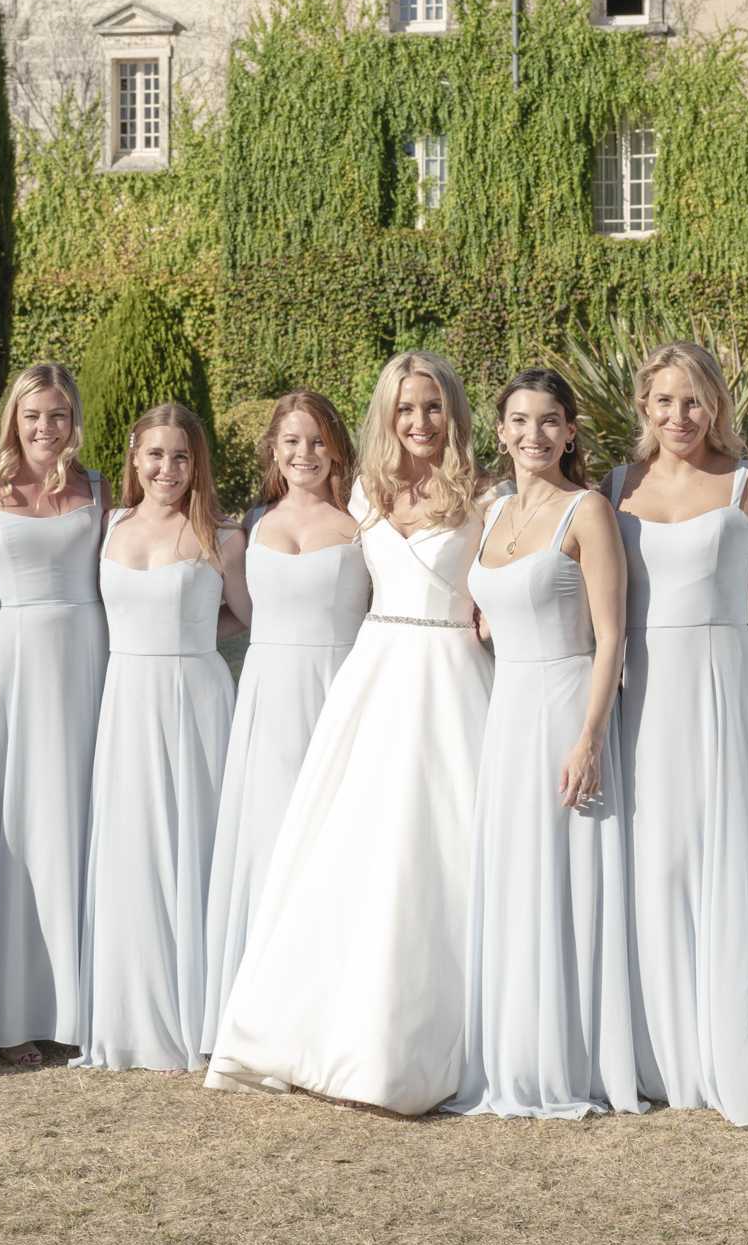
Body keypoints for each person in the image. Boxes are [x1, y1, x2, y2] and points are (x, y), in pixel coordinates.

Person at [207, 350, 493, 1115]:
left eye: (432, 407)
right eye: (405, 409)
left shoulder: (482, 497)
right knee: (357, 853)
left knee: (447, 851)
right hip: (375, 678)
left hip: (454, 677)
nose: (420, 422)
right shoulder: (365, 495)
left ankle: (446, 1038)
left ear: (453, 412)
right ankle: (339, 1029)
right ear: (386, 418)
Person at [451, 368, 642, 1118]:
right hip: (508, 709)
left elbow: (612, 635)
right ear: (500, 431)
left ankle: (570, 1053)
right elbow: (493, 604)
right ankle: (514, 1047)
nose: (534, 434)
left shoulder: (587, 510)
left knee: (568, 875)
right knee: (515, 872)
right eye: (520, 421)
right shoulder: (493, 512)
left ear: (570, 433)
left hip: (566, 703)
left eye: (550, 421)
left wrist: (589, 737)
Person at [605, 343, 748, 1127]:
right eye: (665, 402)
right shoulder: (616, 487)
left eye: (694, 401)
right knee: (656, 858)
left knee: (727, 848)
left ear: (716, 406)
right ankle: (659, 1052)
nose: (680, 417)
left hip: (720, 676)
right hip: (643, 686)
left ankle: (735, 1044)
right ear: (644, 406)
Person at [73, 404, 249, 1071]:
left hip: (194, 698)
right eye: (155, 455)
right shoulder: (108, 525)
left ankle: (202, 1012)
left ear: (196, 462)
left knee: (196, 841)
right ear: (134, 456)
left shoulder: (221, 536)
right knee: (134, 844)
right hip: (126, 701)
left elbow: (250, 616)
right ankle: (132, 1010)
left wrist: (193, 635)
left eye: (180, 457)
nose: (167, 469)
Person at [200, 391, 368, 1048]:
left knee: (335, 845)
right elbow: (235, 615)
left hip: (339, 694)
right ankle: (261, 1010)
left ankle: (333, 1010)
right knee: (269, 846)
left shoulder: (362, 527)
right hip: (267, 703)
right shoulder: (247, 529)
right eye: (292, 441)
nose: (304, 454)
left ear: (338, 448)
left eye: (318, 441)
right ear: (273, 448)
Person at [0, 363, 108, 1067]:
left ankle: (83, 1006)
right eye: (34, 414)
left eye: (59, 415)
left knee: (82, 820)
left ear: (75, 420)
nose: (46, 428)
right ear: (13, 417)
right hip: (10, 664)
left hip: (89, 662)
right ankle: (11, 1011)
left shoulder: (100, 489)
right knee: (16, 824)